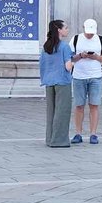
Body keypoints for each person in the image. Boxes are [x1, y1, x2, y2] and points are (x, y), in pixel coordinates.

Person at [70, 18, 102, 145]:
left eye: (91, 32)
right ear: (83, 28)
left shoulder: (101, 40)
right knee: (79, 105)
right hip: (78, 76)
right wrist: (80, 56)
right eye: (88, 32)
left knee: (94, 105)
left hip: (95, 76)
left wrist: (96, 57)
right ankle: (78, 133)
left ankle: (93, 134)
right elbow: (69, 58)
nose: (89, 34)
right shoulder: (76, 39)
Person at [39, 20, 74, 148]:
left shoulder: (46, 47)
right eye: (65, 27)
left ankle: (50, 138)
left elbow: (43, 64)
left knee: (51, 111)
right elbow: (68, 66)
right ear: (59, 30)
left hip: (49, 81)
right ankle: (59, 140)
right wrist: (73, 62)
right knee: (62, 111)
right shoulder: (64, 46)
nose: (67, 30)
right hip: (62, 81)